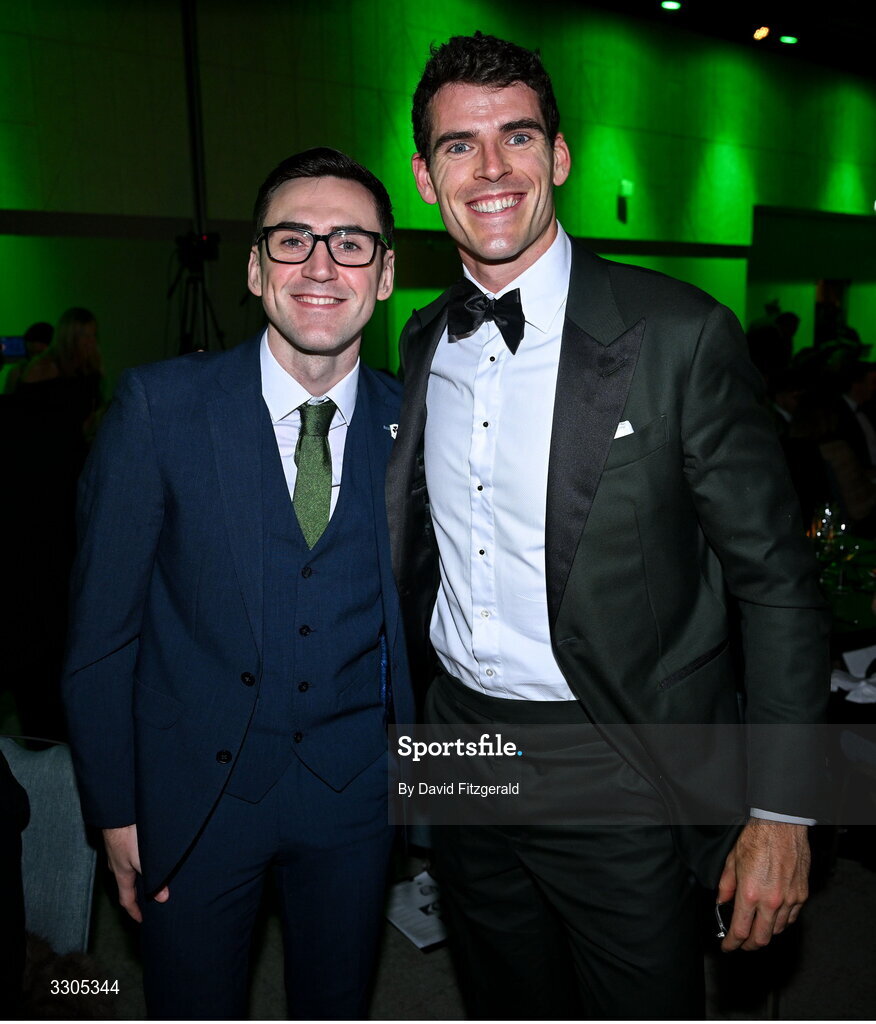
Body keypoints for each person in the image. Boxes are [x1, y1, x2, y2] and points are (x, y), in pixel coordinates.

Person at [386, 33, 828, 1019]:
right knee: (503, 1000)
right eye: (459, 147)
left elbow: (776, 582)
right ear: (424, 177)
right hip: (460, 739)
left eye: (517, 138)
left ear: (561, 156)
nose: (491, 168)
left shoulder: (680, 335)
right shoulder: (423, 340)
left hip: (615, 750)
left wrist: (786, 807)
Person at [63, 148, 412, 1019]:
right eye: (293, 241)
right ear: (255, 269)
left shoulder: (422, 426)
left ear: (386, 273)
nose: (322, 266)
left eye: (351, 243)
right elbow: (101, 636)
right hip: (196, 796)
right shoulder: (157, 410)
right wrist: (115, 812)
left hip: (354, 800)